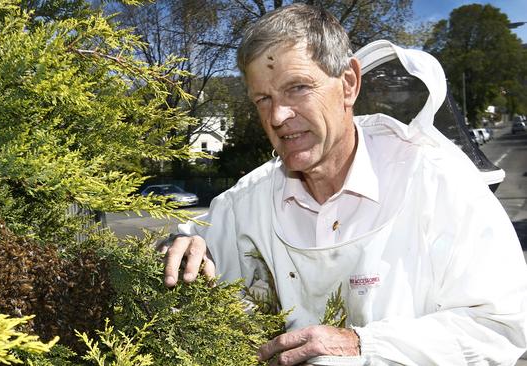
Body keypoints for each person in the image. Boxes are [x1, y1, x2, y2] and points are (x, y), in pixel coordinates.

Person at [163, 4, 527, 365]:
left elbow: (503, 328)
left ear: (349, 83)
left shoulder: (440, 183)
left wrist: (364, 344)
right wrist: (180, 250)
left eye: (298, 87)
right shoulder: (244, 202)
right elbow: (179, 251)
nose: (277, 116)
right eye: (263, 99)